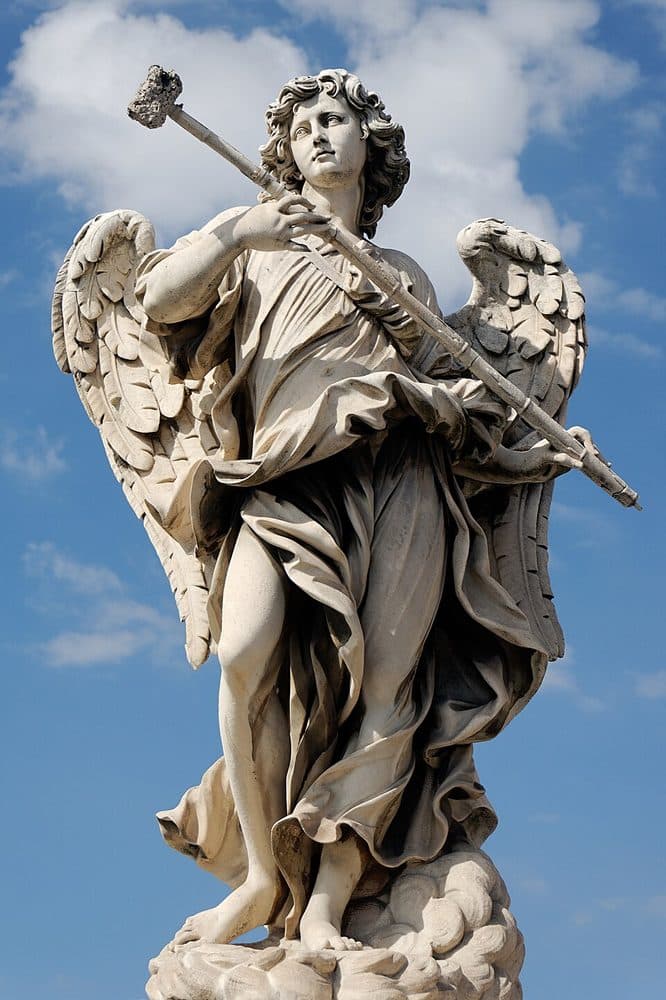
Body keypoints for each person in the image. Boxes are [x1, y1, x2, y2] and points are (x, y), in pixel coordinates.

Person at [136, 69, 568, 951]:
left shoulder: (402, 271)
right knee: (246, 654)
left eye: (337, 122)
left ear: (372, 147)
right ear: (284, 153)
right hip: (284, 477)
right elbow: (156, 301)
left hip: (400, 478)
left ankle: (331, 899)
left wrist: (539, 451)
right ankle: (261, 876)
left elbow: (464, 403)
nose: (318, 137)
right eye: (303, 128)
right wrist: (234, 236)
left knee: (386, 687)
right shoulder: (252, 240)